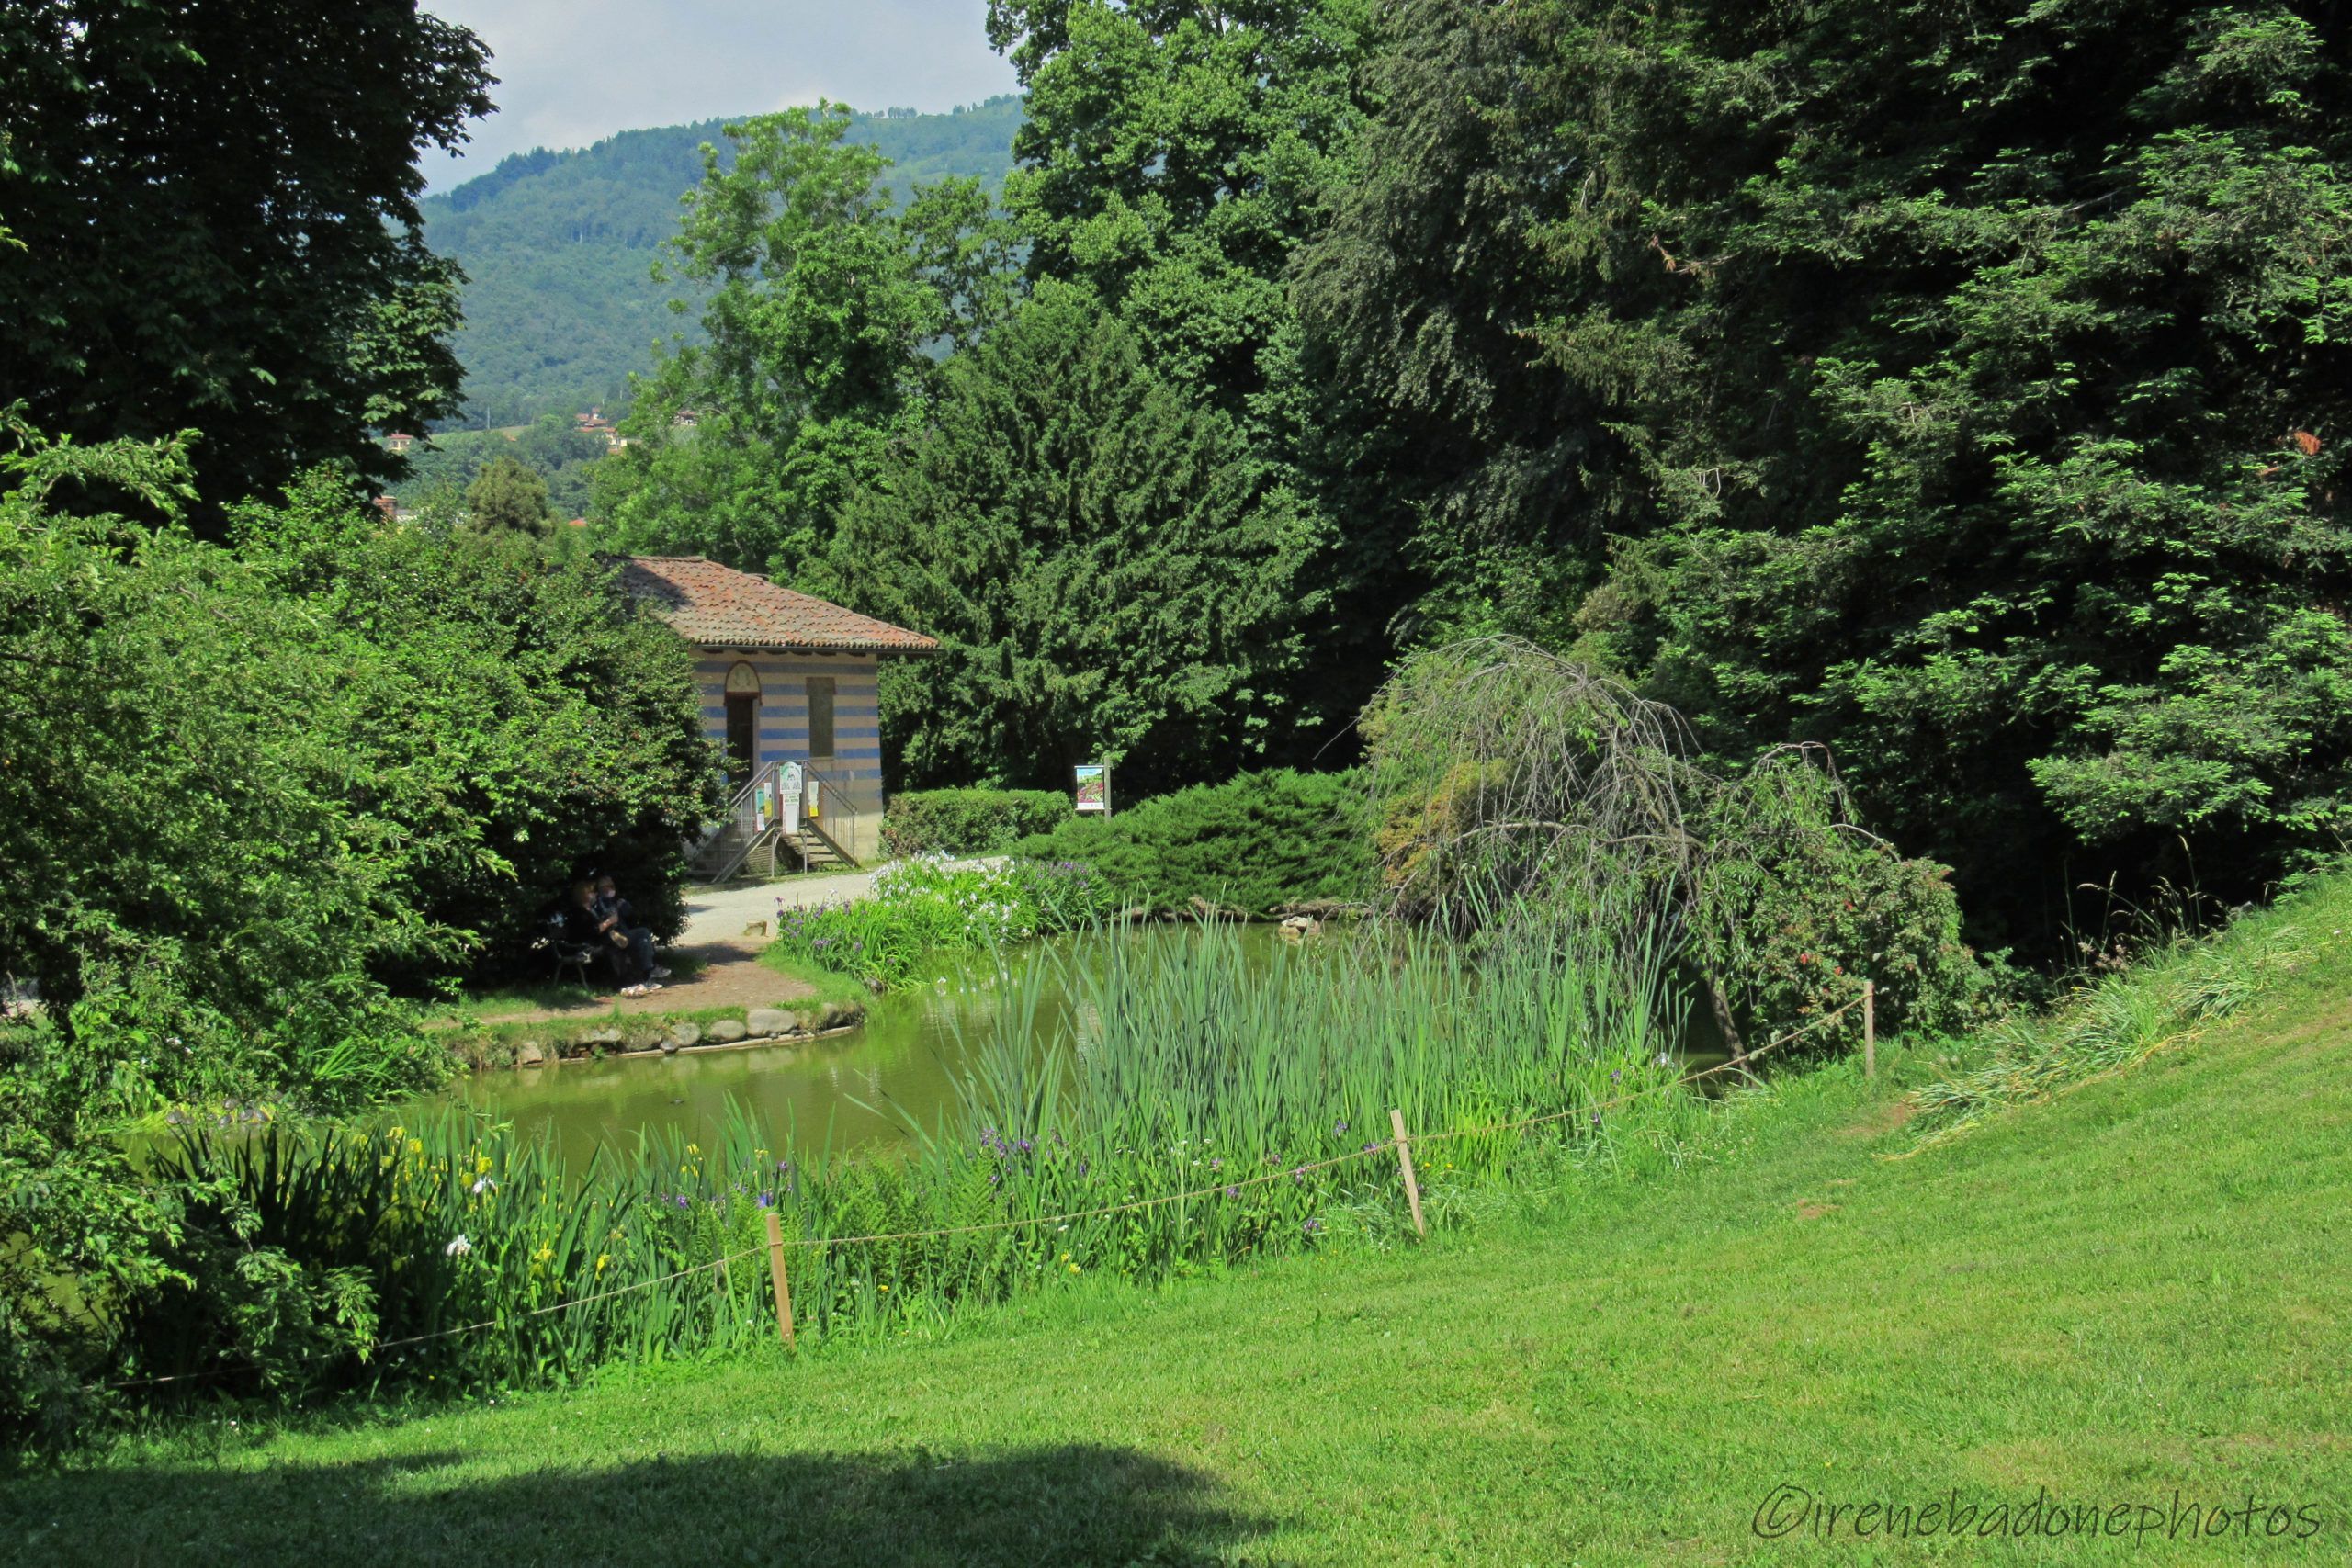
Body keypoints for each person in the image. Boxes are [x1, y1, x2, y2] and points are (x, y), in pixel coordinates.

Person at [565, 874, 660, 998]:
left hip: (603, 940)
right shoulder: (580, 912)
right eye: (592, 892)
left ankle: (640, 978)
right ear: (584, 894)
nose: (595, 894)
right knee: (637, 936)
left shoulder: (591, 909)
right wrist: (610, 921)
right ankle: (635, 979)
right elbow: (592, 931)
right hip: (589, 946)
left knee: (640, 939)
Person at [594, 871, 670, 983]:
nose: (610, 889)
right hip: (613, 936)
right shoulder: (598, 903)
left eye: (612, 886)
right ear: (600, 888)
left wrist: (624, 906)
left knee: (643, 942)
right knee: (643, 932)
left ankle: (648, 975)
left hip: (625, 934)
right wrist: (609, 918)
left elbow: (630, 914)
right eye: (607, 886)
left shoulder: (615, 900)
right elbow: (598, 923)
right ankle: (650, 970)